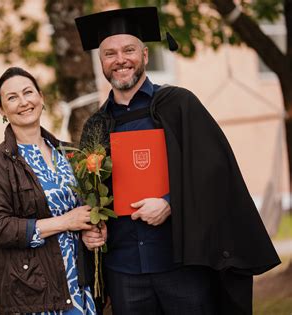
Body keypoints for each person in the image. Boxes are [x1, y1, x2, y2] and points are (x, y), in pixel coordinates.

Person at [74, 7, 281, 315]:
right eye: (110, 54)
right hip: (124, 271)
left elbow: (215, 175)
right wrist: (92, 226)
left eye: (128, 50)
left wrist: (170, 203)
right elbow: (91, 192)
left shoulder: (180, 105)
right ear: (102, 62)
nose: (120, 60)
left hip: (181, 265)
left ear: (145, 55)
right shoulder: (95, 126)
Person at [0, 67, 98, 314]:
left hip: (78, 286)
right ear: (2, 109)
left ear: (41, 97)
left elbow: (84, 213)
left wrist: (91, 232)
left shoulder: (71, 154)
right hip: (33, 293)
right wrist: (65, 222)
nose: (23, 102)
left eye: (28, 92)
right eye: (12, 97)